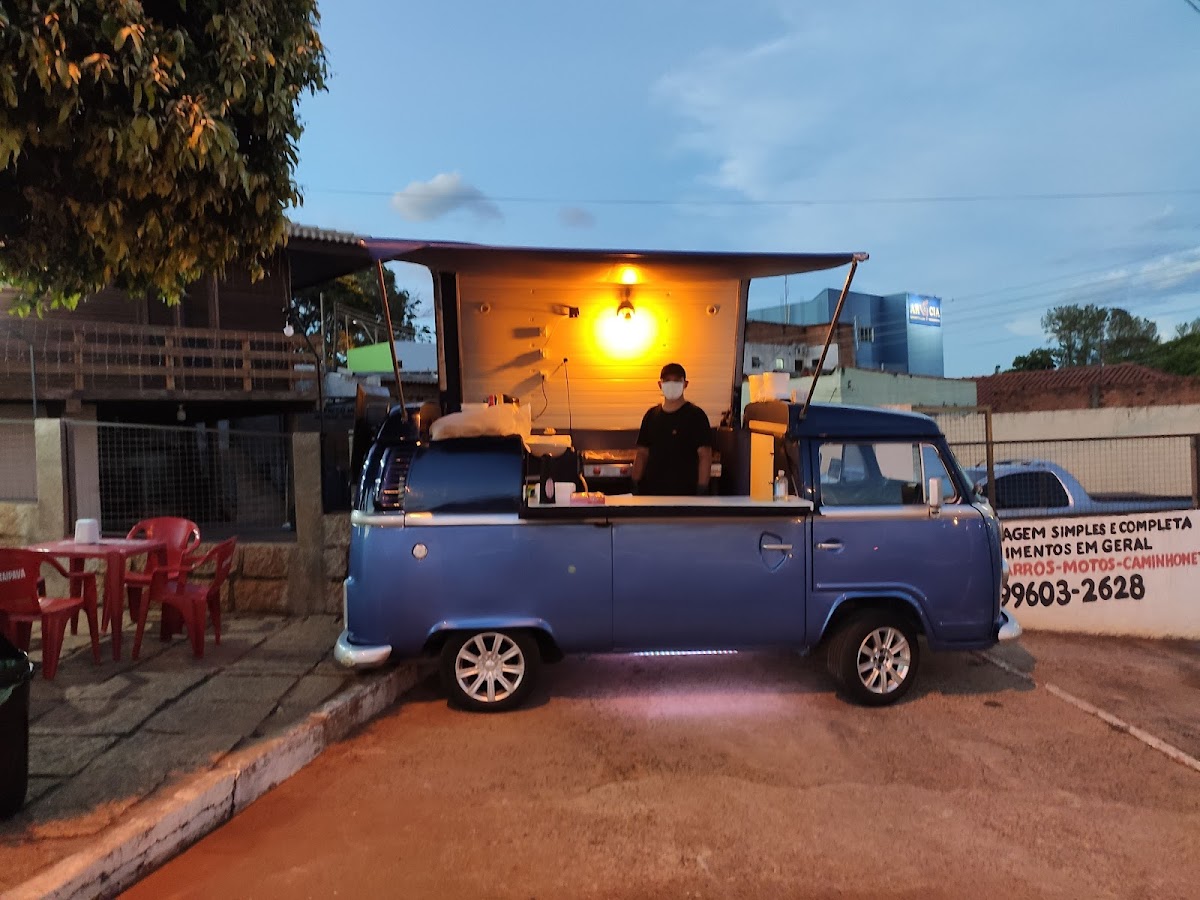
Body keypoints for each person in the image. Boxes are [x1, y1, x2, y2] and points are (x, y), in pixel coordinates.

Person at [632, 362, 713, 496]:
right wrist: (635, 483)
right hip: (651, 493)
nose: (672, 385)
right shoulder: (651, 416)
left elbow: (705, 456)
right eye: (667, 381)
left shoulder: (696, 416)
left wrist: (702, 488)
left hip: (685, 494)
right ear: (660, 384)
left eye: (677, 381)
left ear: (685, 384)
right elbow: (642, 454)